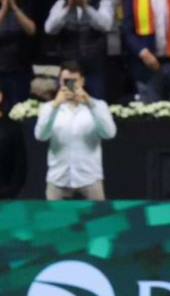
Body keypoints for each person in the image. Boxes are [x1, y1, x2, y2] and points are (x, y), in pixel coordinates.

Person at [34, 62, 117, 200]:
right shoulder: (48, 107)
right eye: (66, 81)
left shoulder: (98, 105)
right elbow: (41, 136)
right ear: (60, 81)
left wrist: (90, 103)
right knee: (54, 215)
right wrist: (55, 106)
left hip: (90, 180)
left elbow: (109, 134)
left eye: (74, 81)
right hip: (57, 180)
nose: (70, 85)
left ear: (82, 81)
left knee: (97, 215)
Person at [48, 0, 115, 102]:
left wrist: (85, 6)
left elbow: (106, 25)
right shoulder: (61, 3)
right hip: (70, 71)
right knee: (69, 105)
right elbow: (49, 28)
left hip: (95, 71)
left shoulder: (103, 2)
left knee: (96, 106)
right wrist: (69, 8)